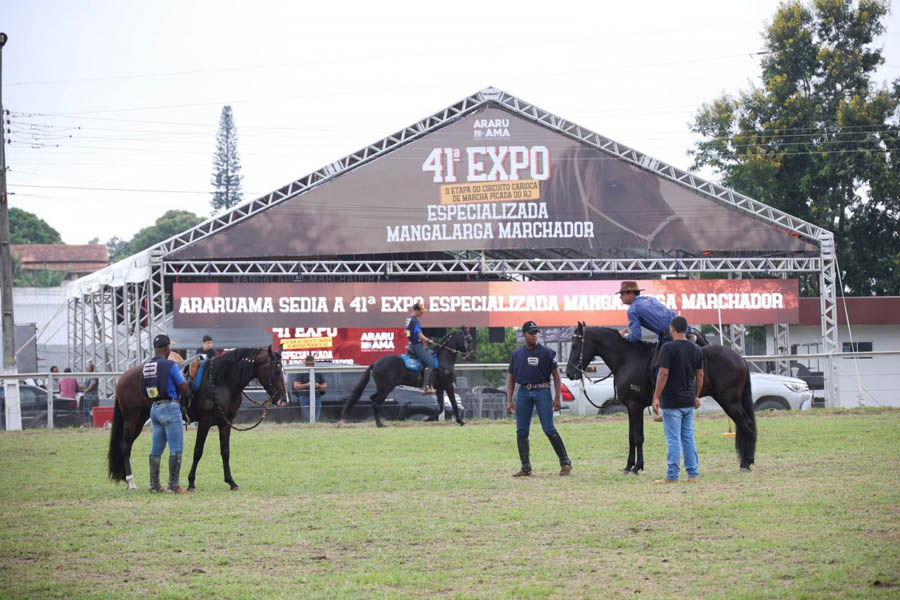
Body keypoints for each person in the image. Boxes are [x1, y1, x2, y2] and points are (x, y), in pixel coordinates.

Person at [506, 321, 572, 477]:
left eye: (536, 332)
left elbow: (556, 375)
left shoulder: (547, 353)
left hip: (542, 391)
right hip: (523, 392)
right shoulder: (516, 355)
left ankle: (565, 463)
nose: (534, 335)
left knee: (549, 428)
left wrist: (557, 397)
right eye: (531, 333)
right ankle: (525, 467)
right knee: (521, 431)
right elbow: (511, 378)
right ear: (524, 334)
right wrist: (509, 400)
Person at [651, 316, 704, 484]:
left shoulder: (668, 348)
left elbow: (663, 373)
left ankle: (672, 475)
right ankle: (693, 474)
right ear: (686, 329)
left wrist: (656, 396)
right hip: (688, 401)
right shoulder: (696, 349)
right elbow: (700, 375)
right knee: (688, 437)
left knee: (673, 439)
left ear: (672, 329)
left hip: (672, 401)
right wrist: (696, 395)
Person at [141, 334, 189, 493]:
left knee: (156, 448)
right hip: (170, 407)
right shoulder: (170, 365)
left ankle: (154, 486)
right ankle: (173, 486)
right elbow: (183, 386)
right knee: (176, 448)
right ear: (167, 348)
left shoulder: (147, 366)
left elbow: (143, 390)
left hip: (155, 409)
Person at [405, 301, 435, 394]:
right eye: (421, 311)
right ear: (416, 310)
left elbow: (407, 333)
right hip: (416, 345)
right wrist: (428, 340)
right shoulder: (415, 321)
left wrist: (414, 339)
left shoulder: (409, 319)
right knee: (431, 363)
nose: (422, 313)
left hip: (411, 343)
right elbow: (419, 334)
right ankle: (425, 387)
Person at [291, 354, 327, 421]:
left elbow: (325, 386)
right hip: (304, 397)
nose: (310, 365)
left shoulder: (318, 372)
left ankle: (315, 426)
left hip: (317, 397)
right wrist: (307, 385)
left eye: (312, 363)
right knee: (307, 417)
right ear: (305, 363)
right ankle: (309, 426)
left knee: (316, 418)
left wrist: (318, 386)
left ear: (314, 363)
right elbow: (296, 386)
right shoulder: (300, 372)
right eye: (308, 364)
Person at [81, 363, 99, 427]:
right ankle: (88, 424)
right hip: (87, 398)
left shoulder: (93, 376)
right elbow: (84, 386)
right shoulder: (87, 376)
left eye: (87, 367)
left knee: (92, 412)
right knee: (87, 412)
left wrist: (84, 391)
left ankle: (93, 424)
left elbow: (91, 387)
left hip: (92, 398)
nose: (85, 369)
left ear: (90, 368)